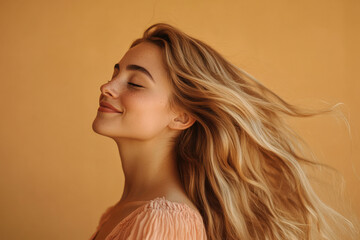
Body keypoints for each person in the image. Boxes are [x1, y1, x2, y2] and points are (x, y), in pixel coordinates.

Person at [89, 23, 357, 240]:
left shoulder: (163, 222)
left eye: (135, 83)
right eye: (116, 73)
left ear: (182, 116)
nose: (107, 86)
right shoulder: (123, 212)